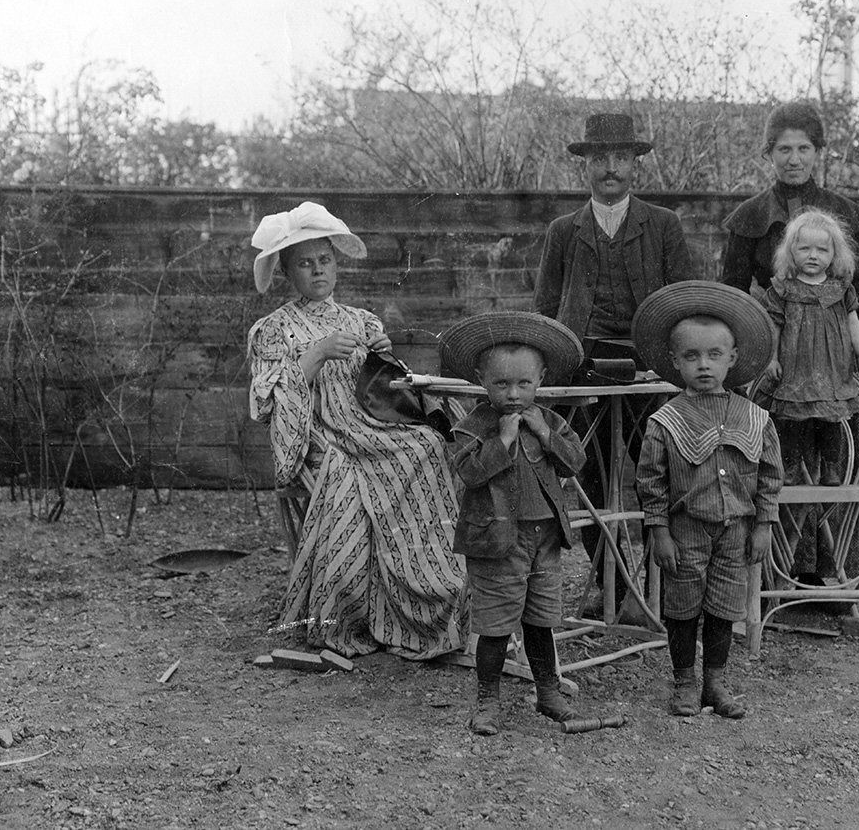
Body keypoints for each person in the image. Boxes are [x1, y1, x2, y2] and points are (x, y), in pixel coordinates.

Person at [247, 201, 467, 659]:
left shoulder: (361, 320)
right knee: (344, 476)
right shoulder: (272, 330)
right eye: (305, 263)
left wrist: (384, 358)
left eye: (324, 260)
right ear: (288, 272)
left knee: (427, 443)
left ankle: (429, 591)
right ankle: (351, 613)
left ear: (336, 263)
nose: (318, 271)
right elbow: (268, 404)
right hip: (319, 437)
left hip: (369, 427)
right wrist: (317, 353)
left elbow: (385, 393)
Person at [533, 113, 695, 616]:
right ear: (586, 166)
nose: (610, 169)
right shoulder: (564, 231)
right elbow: (545, 307)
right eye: (600, 159)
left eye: (620, 158)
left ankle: (660, 591)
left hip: (648, 368)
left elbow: (683, 300)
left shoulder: (662, 225)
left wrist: (673, 364)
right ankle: (613, 588)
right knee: (592, 481)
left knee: (658, 476)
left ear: (634, 166)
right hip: (585, 368)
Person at [721, 100, 859, 584]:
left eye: (804, 148)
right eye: (784, 149)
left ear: (819, 153)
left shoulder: (843, 216)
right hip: (777, 372)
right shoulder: (748, 220)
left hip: (834, 374)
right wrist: (760, 355)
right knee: (780, 469)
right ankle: (778, 576)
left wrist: (846, 350)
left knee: (837, 471)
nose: (794, 159)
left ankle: (833, 577)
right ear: (769, 154)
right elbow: (732, 299)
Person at [632, 281, 783, 719]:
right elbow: (651, 482)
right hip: (686, 530)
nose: (704, 365)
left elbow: (770, 476)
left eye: (715, 355)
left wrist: (764, 525)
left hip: (736, 530)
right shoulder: (665, 421)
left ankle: (714, 683)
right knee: (682, 605)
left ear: (732, 359)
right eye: (692, 357)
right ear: (675, 362)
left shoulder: (755, 419)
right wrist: (658, 532)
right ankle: (684, 682)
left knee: (724, 603)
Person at [439, 311, 589, 736]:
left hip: (545, 538)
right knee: (496, 624)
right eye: (501, 384)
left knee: (541, 619)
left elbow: (575, 462)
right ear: (481, 381)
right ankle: (487, 700)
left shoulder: (551, 421)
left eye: (524, 383)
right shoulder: (474, 426)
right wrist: (502, 441)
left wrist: (545, 433)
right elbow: (467, 474)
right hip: (495, 540)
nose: (513, 394)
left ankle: (548, 691)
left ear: (540, 379)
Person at [763, 209, 859, 490]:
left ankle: (831, 468)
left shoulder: (841, 289)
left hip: (832, 369)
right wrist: (771, 358)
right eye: (805, 248)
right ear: (791, 252)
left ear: (834, 254)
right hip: (795, 369)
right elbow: (773, 327)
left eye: (822, 249)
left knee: (830, 421)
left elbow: (853, 323)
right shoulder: (782, 290)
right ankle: (789, 467)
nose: (813, 255)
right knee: (791, 422)